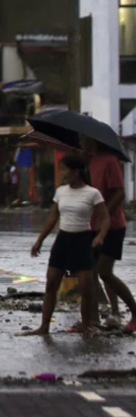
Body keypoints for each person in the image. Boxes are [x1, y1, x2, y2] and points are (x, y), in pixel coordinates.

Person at [21, 154, 109, 337]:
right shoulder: (61, 191)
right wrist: (40, 240)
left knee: (86, 286)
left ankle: (87, 325)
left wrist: (100, 236)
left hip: (83, 240)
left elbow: (105, 217)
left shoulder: (92, 193)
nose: (61, 173)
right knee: (51, 284)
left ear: (76, 172)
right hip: (63, 240)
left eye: (64, 169)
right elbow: (53, 217)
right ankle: (44, 326)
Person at [82, 137, 136, 332]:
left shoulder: (109, 161)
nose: (81, 141)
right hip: (90, 226)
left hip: (112, 226)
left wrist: (103, 215)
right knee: (91, 273)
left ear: (94, 141)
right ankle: (95, 318)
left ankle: (131, 311)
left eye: (83, 138)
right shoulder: (88, 162)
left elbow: (120, 193)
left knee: (104, 271)